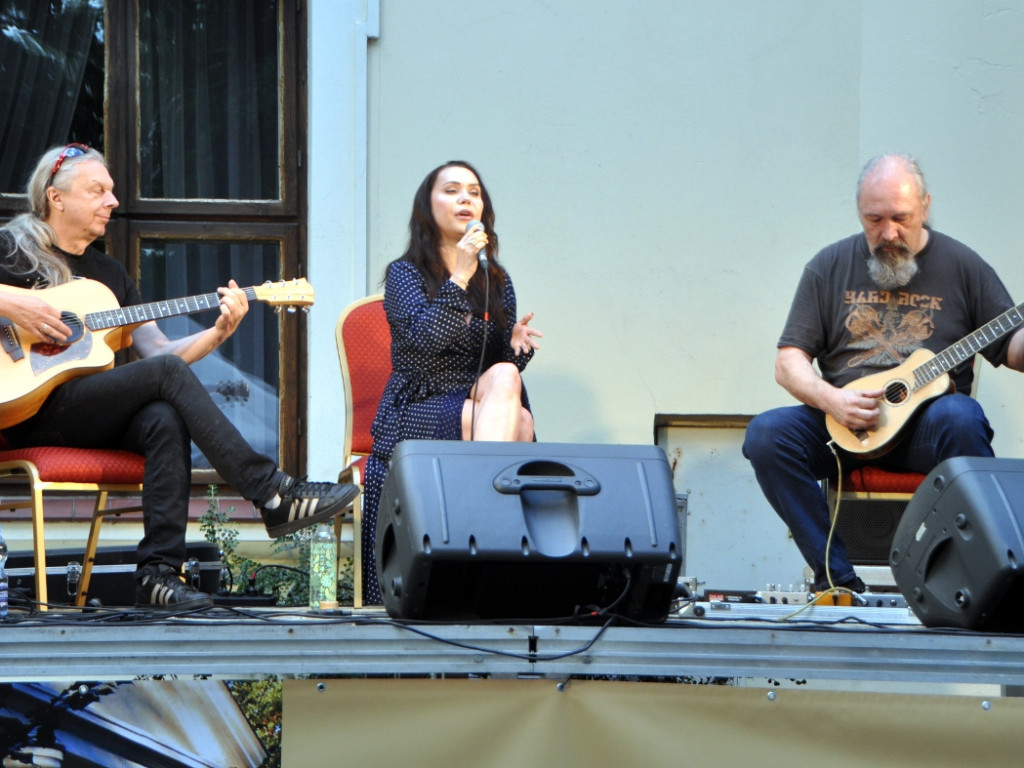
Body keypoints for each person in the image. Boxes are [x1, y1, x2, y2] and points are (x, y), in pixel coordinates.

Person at [0, 144, 360, 610]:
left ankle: (159, 575)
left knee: (162, 417)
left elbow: (161, 353)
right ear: (56, 196)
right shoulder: (9, 249)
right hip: (26, 409)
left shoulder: (109, 276)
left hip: (88, 411)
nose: (112, 201)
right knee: (164, 384)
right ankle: (271, 493)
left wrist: (217, 332)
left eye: (112, 192)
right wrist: (13, 303)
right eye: (98, 191)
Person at [743, 154, 1024, 593]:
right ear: (859, 212)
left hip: (926, 429)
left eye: (901, 218)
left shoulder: (963, 265)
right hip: (844, 421)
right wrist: (831, 400)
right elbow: (788, 361)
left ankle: (982, 577)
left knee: (962, 417)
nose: (888, 233)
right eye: (874, 219)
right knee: (766, 435)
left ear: (925, 207)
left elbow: (1012, 347)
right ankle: (836, 578)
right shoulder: (828, 266)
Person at [359, 160, 542, 604]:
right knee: (517, 426)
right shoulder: (404, 274)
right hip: (418, 402)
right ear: (428, 206)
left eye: (474, 192)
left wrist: (514, 348)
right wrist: (459, 274)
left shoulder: (497, 280)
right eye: (452, 190)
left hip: (476, 404)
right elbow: (421, 344)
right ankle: (485, 531)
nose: (465, 199)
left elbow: (493, 368)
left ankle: (476, 522)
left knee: (505, 380)